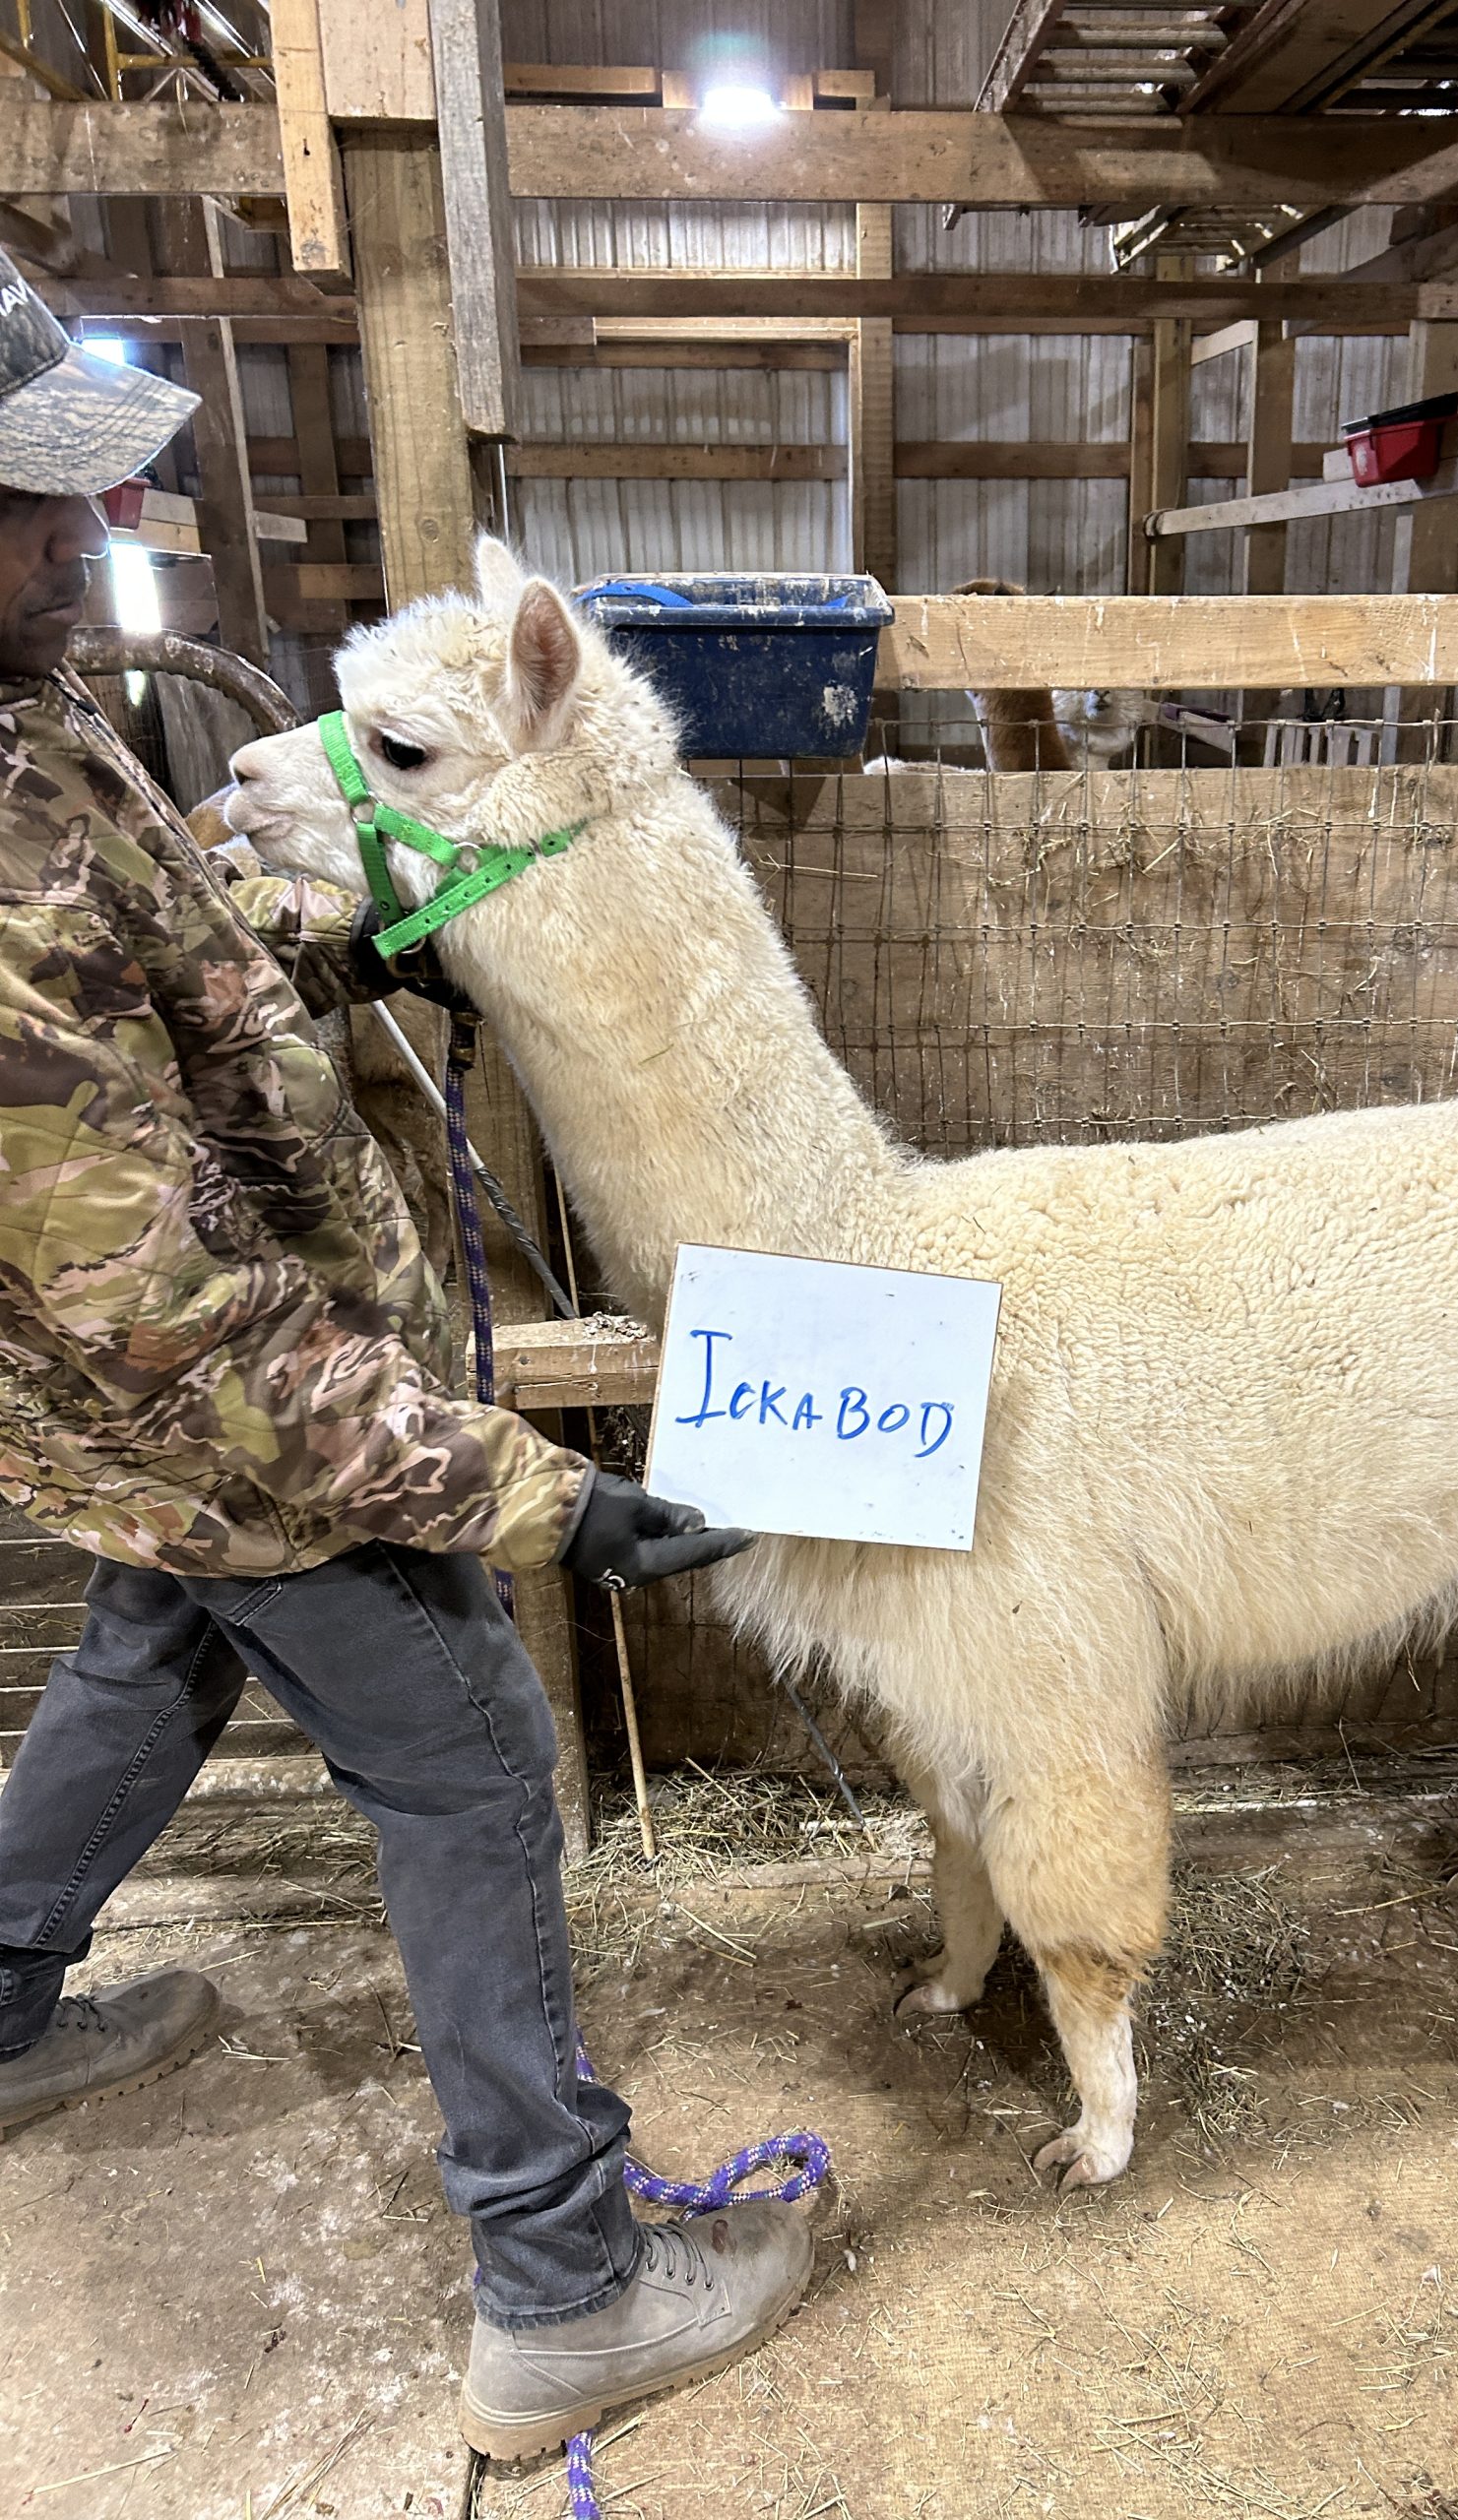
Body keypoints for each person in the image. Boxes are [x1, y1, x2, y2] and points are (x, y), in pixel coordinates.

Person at [0, 250, 810, 2462]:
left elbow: (158, 951)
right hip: (228, 1417)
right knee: (467, 1762)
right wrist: (536, 1490)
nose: (83, 535)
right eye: (27, 502)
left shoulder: (31, 717)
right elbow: (166, 1320)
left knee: (143, 1656)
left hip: (160, 1439)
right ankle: (564, 2283)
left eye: (72, 489)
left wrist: (370, 933)